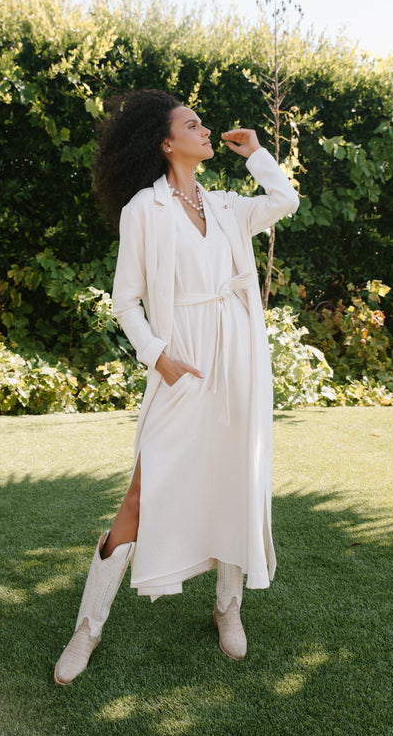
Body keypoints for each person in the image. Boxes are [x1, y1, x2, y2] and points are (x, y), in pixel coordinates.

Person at [54, 89, 299, 686]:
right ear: (166, 143)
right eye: (193, 125)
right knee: (141, 493)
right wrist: (158, 357)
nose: (206, 130)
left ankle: (227, 607)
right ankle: (87, 628)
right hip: (181, 366)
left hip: (237, 359)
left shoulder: (225, 205)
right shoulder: (145, 209)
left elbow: (285, 200)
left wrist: (257, 153)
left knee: (235, 479)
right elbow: (126, 302)